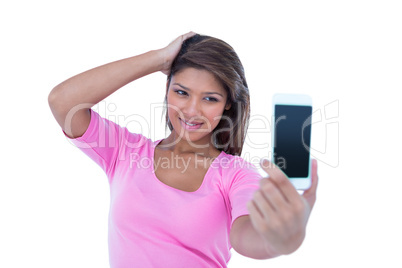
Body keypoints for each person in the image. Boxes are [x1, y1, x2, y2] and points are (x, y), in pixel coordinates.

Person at [48, 32, 318, 267]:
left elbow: (246, 237)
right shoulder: (125, 152)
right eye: (181, 92)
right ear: (167, 88)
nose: (191, 110)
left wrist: (281, 240)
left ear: (227, 104)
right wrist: (159, 59)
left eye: (210, 98)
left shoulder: (236, 174)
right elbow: (63, 102)